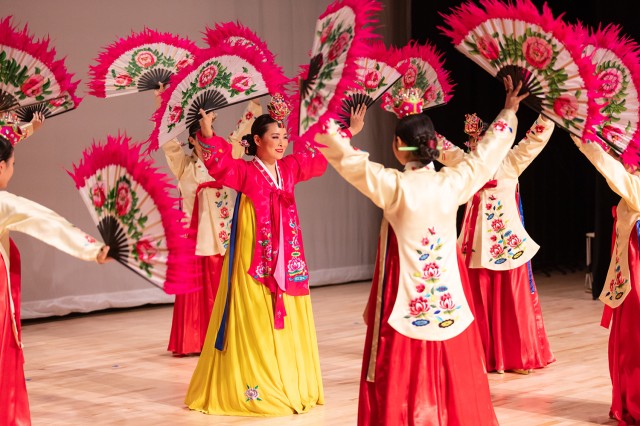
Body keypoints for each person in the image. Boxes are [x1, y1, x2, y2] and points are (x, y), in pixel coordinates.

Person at [314, 77, 527, 425]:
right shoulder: (453, 182)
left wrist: (320, 113)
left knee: (400, 379)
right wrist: (509, 110)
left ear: (398, 145)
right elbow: (486, 156)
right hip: (450, 305)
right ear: (432, 145)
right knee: (454, 376)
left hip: (405, 305)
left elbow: (348, 161)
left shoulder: (393, 186)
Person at [185, 94, 343, 416]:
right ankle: (256, 386)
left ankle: (291, 381)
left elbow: (320, 160)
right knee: (256, 316)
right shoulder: (246, 172)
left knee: (287, 315)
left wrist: (338, 130)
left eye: (285, 137)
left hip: (287, 255)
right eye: (275, 137)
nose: (282, 143)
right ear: (256, 140)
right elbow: (219, 165)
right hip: (254, 255)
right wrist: (206, 131)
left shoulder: (289, 168)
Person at [0, 120, 110, 426]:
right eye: (11, 164)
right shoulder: (2, 203)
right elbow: (46, 221)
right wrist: (92, 249)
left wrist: (22, 131)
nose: (12, 170)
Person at [436, 112, 556, 374]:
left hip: (505, 245)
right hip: (474, 246)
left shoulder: (510, 162)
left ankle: (517, 356)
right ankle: (477, 354)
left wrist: (548, 114)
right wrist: (410, 115)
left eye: (483, 141)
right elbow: (438, 147)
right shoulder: (466, 164)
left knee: (511, 303)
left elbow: (534, 141)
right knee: (475, 299)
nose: (477, 146)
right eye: (474, 142)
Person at [156, 84, 262, 355]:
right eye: (201, 133)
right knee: (196, 292)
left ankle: (228, 337)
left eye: (210, 130)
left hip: (226, 237)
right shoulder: (185, 167)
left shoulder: (227, 155)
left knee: (226, 288)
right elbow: (168, 143)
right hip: (196, 241)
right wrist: (163, 105)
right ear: (192, 139)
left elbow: (243, 132)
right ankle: (194, 341)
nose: (206, 135)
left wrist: (254, 100)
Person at [572, 134, 640, 424]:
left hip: (637, 282)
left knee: (632, 344)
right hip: (630, 277)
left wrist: (581, 139)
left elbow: (607, 167)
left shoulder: (636, 187)